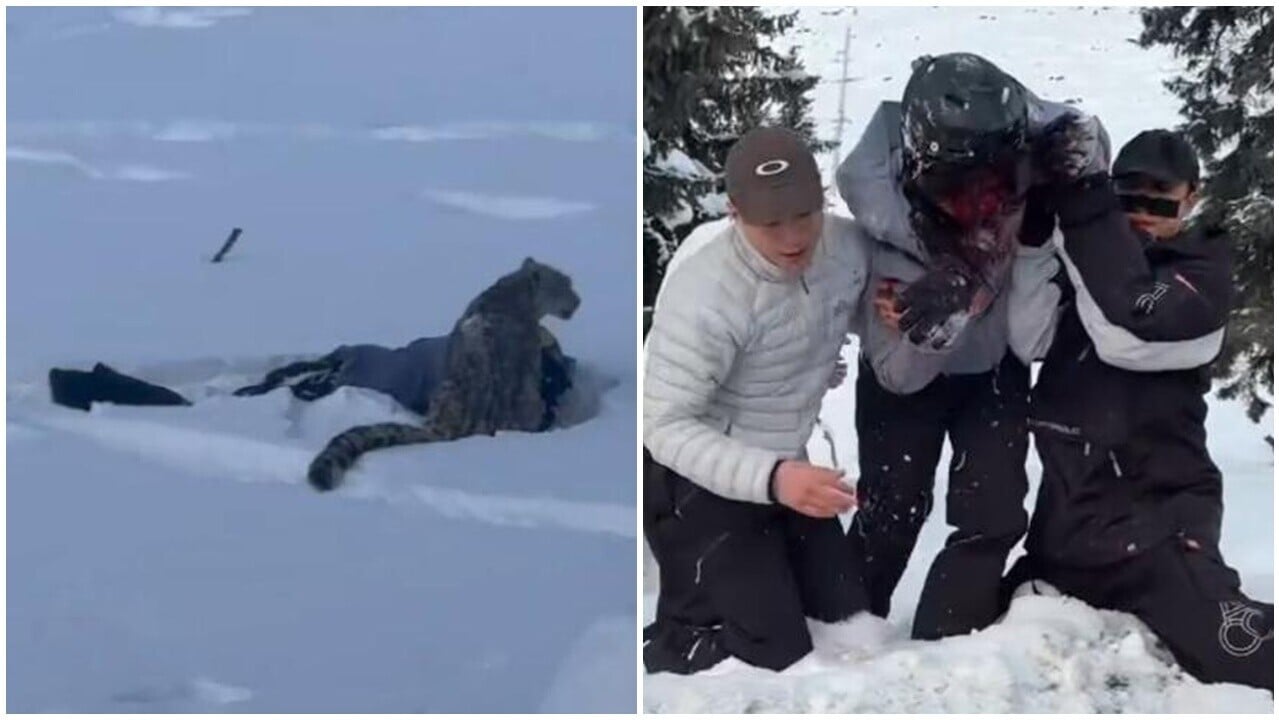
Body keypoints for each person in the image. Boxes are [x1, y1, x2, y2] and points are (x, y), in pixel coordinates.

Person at [834, 52, 1096, 640]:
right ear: (921, 160)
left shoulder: (1014, 127)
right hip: (907, 376)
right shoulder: (879, 203)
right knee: (892, 512)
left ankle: (945, 642)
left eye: (998, 181)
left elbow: (1085, 136)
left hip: (996, 367)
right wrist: (931, 318)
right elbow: (898, 376)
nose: (987, 201)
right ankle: (842, 634)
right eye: (963, 188)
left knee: (994, 512)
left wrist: (1072, 145)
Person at [1004, 126, 1273, 691]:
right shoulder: (1089, 267)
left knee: (1246, 654)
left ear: (1191, 198)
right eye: (1129, 200)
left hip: (1157, 526)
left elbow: (1127, 336)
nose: (1143, 216)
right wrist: (1033, 239)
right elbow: (1029, 340)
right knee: (967, 641)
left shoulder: (1201, 277)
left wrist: (1084, 216)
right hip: (1065, 529)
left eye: (1161, 201)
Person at [643, 127, 872, 674]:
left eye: (804, 215)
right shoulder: (707, 292)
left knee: (850, 619)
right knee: (772, 652)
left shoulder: (843, 248)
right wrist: (773, 479)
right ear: (734, 214)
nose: (793, 237)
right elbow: (662, 424)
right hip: (693, 476)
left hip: (785, 461)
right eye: (771, 224)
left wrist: (887, 309)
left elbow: (848, 306)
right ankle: (681, 638)